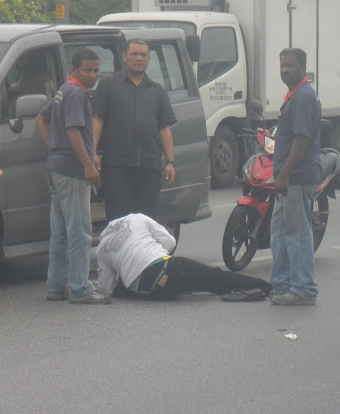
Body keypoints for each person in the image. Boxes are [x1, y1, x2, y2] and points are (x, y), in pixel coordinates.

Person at [36, 48, 112, 304]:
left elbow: (41, 118)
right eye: (87, 71)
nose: (93, 75)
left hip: (56, 167)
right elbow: (73, 132)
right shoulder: (77, 94)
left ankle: (55, 286)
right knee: (80, 231)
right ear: (74, 70)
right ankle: (80, 288)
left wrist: (53, 147)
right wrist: (88, 164)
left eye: (96, 71)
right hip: (71, 171)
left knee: (59, 233)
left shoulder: (63, 91)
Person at [92, 38, 177, 222]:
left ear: (149, 59)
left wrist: (170, 161)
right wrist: (92, 152)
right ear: (124, 56)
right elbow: (97, 119)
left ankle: (141, 252)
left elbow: (164, 128)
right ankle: (120, 252)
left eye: (143, 55)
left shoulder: (158, 91)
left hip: (149, 166)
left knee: (146, 221)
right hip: (117, 166)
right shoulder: (108, 85)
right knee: (118, 221)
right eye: (134, 54)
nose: (139, 58)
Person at [97, 213, 272, 301]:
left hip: (146, 290)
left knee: (194, 281)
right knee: (217, 277)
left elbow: (106, 288)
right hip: (166, 267)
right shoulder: (137, 218)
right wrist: (158, 255)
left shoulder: (102, 248)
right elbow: (170, 242)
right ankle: (264, 286)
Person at [270, 48, 322, 306]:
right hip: (288, 178)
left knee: (296, 233)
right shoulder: (294, 96)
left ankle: (303, 289)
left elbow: (302, 140)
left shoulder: (303, 97)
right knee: (280, 233)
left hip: (297, 178)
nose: (284, 70)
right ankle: (283, 285)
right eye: (282, 66)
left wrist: (285, 174)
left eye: (290, 66)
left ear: (303, 67)